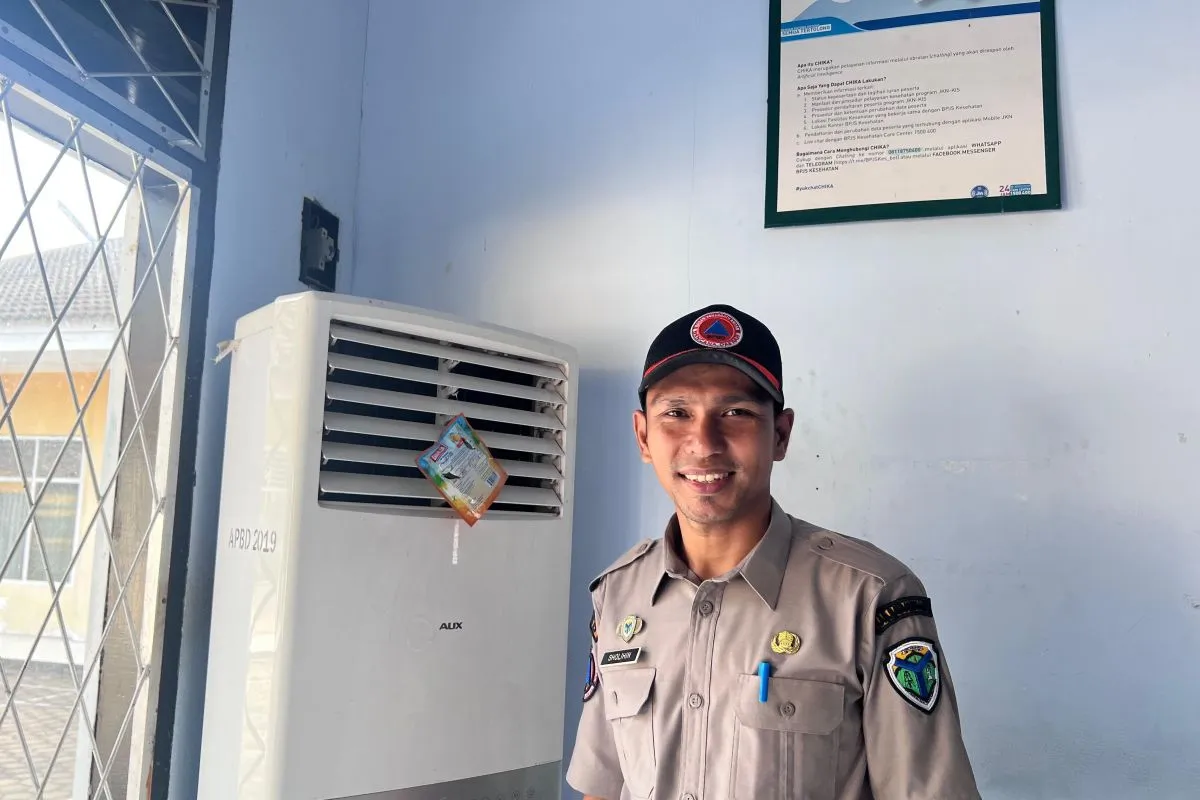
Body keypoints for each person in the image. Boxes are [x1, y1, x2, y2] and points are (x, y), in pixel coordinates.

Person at [565, 305, 981, 800]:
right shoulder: (618, 594)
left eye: (735, 413)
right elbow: (603, 787)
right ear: (643, 436)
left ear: (780, 435)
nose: (704, 443)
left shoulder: (869, 597)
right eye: (677, 413)